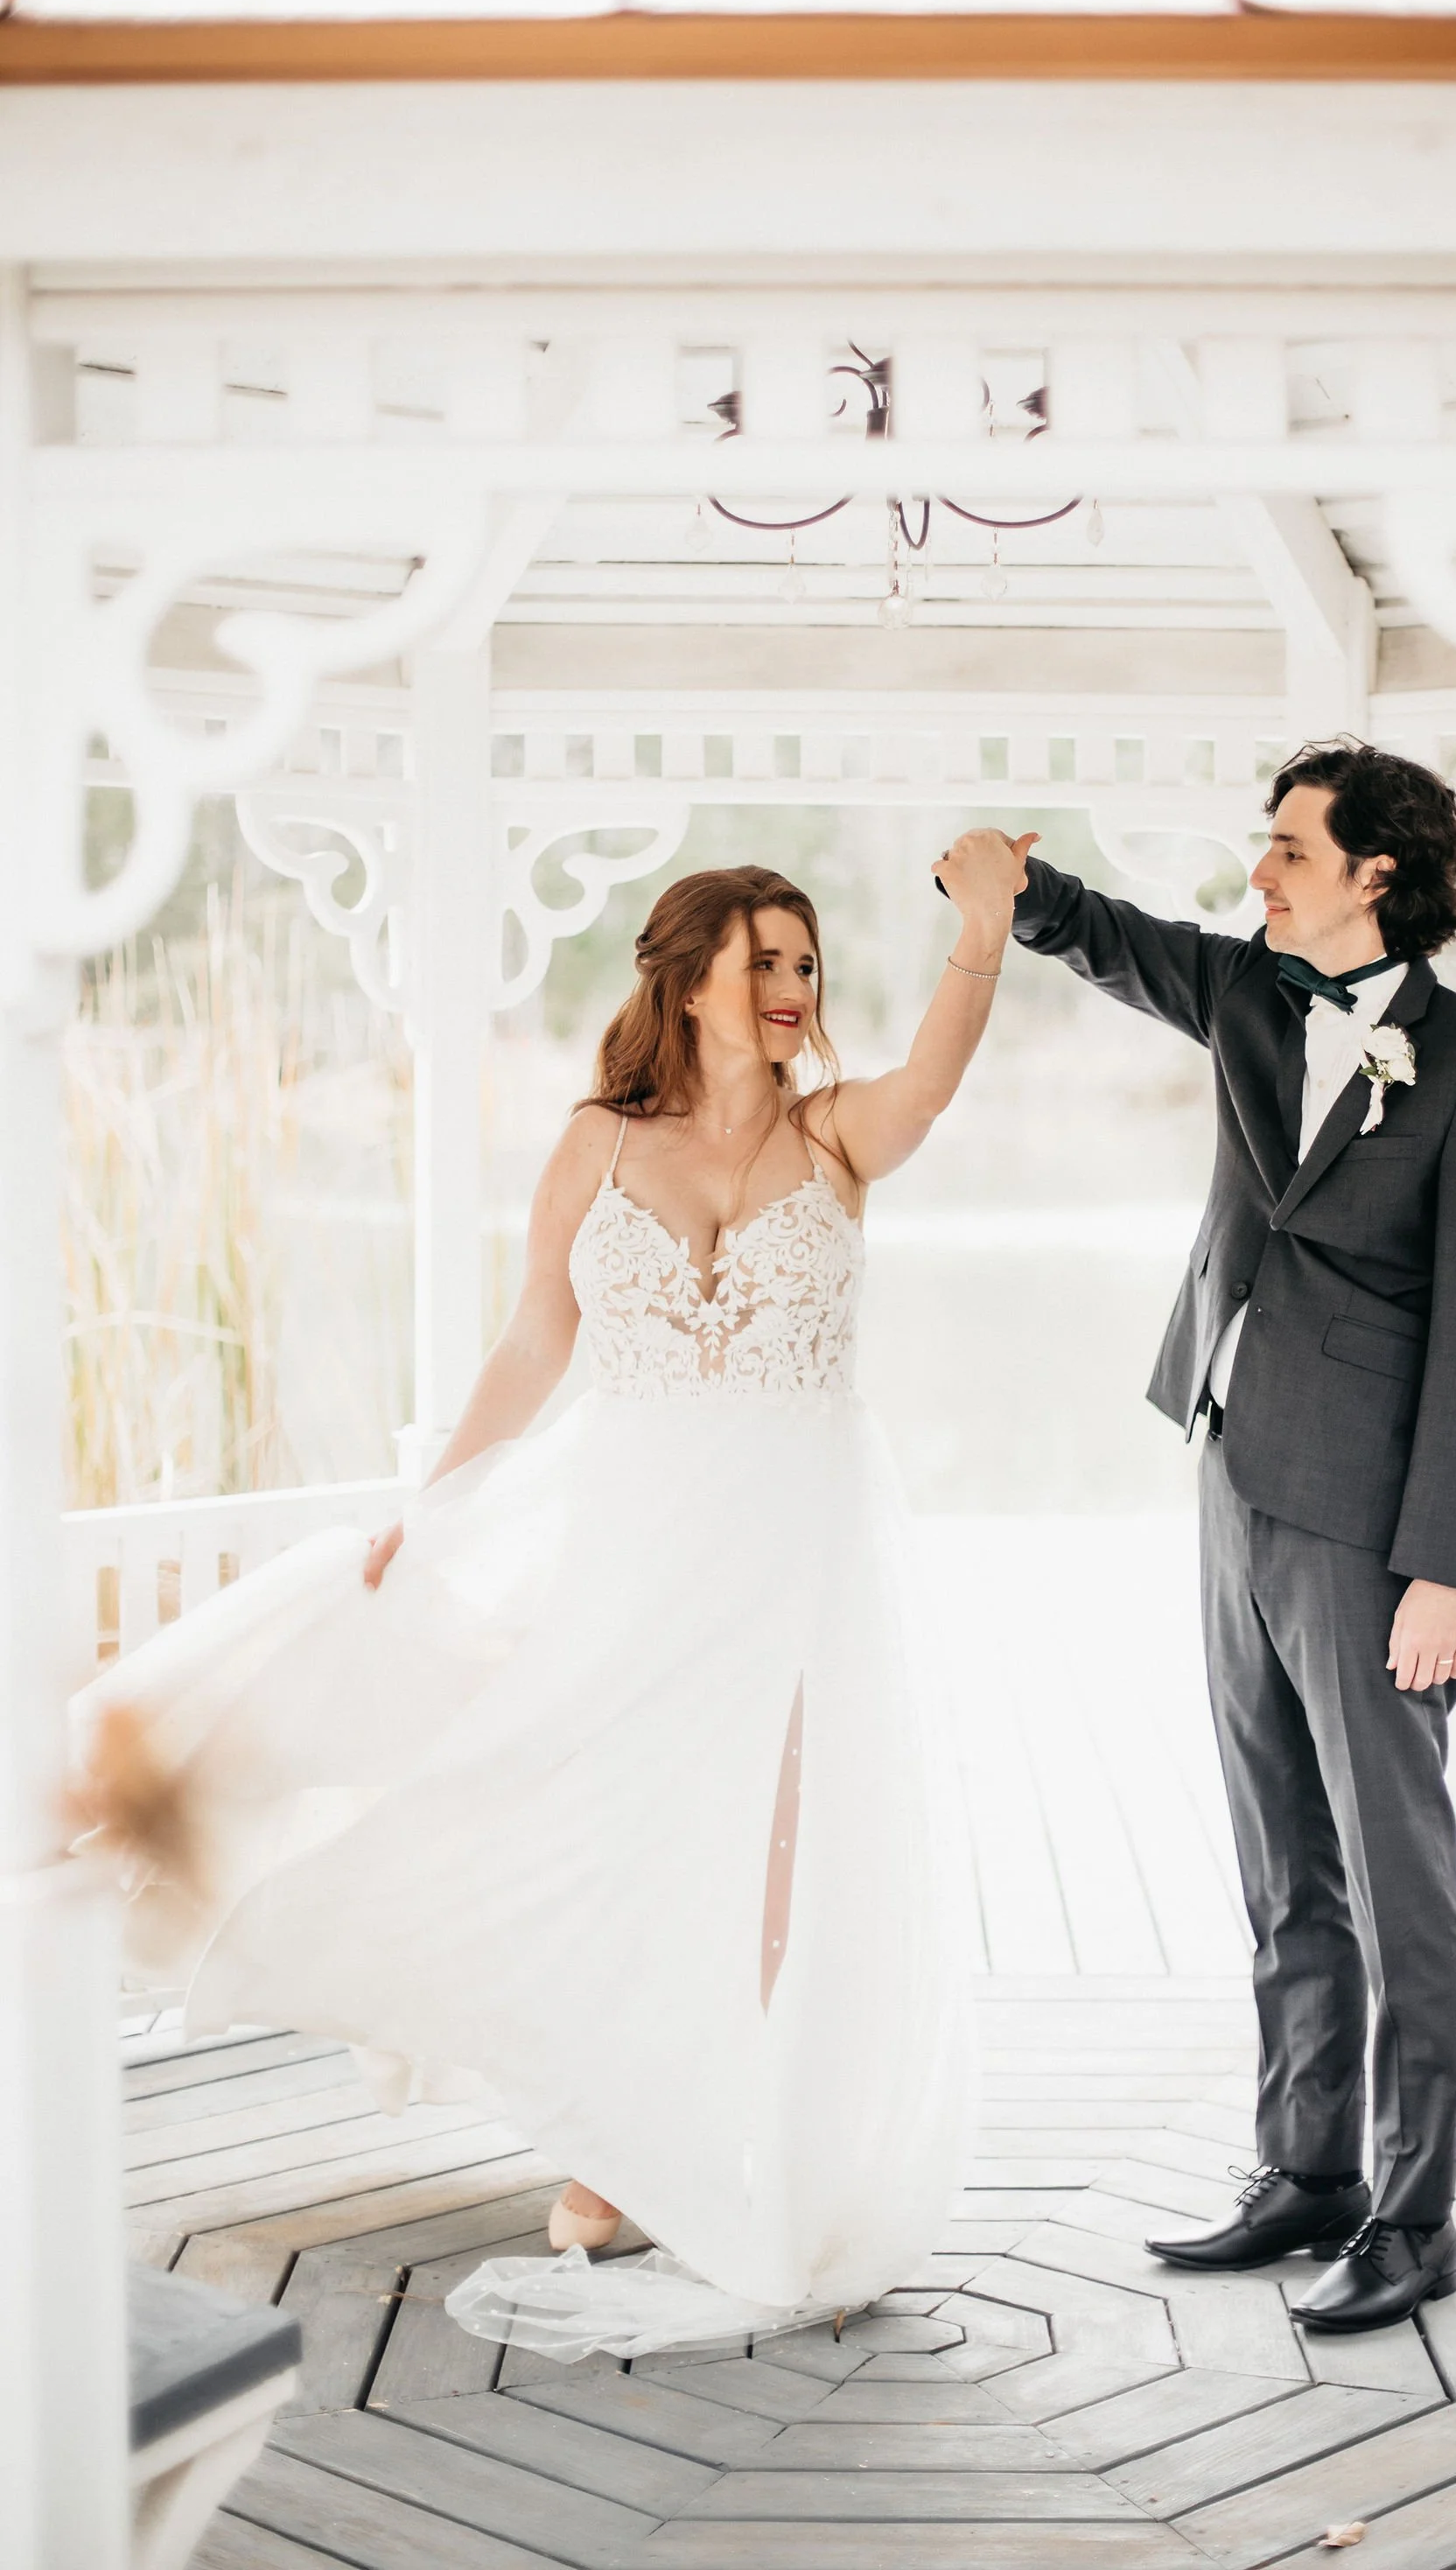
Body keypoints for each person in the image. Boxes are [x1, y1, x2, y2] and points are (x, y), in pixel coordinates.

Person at [71, 836, 1035, 2351]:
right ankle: (610, 2132)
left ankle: (721, 2140)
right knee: (612, 1823)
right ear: (690, 977)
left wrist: (981, 929)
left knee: (775, 1858)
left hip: (797, 1549)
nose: (791, 988)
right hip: (632, 1532)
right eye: (763, 961)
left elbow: (934, 1076)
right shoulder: (597, 1141)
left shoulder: (842, 1138)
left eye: (806, 965)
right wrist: (436, 1502)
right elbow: (536, 1339)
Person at [965, 741, 1456, 2335]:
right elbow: (1113, 936)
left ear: (1377, 870)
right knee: (1280, 1855)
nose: (1260, 872)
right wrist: (1013, 890)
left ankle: (1415, 2219)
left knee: (1394, 1874)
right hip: (1229, 1479)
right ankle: (1308, 2176)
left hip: (1371, 1528)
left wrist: (1449, 1566)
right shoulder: (1245, 993)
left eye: (1290, 849)